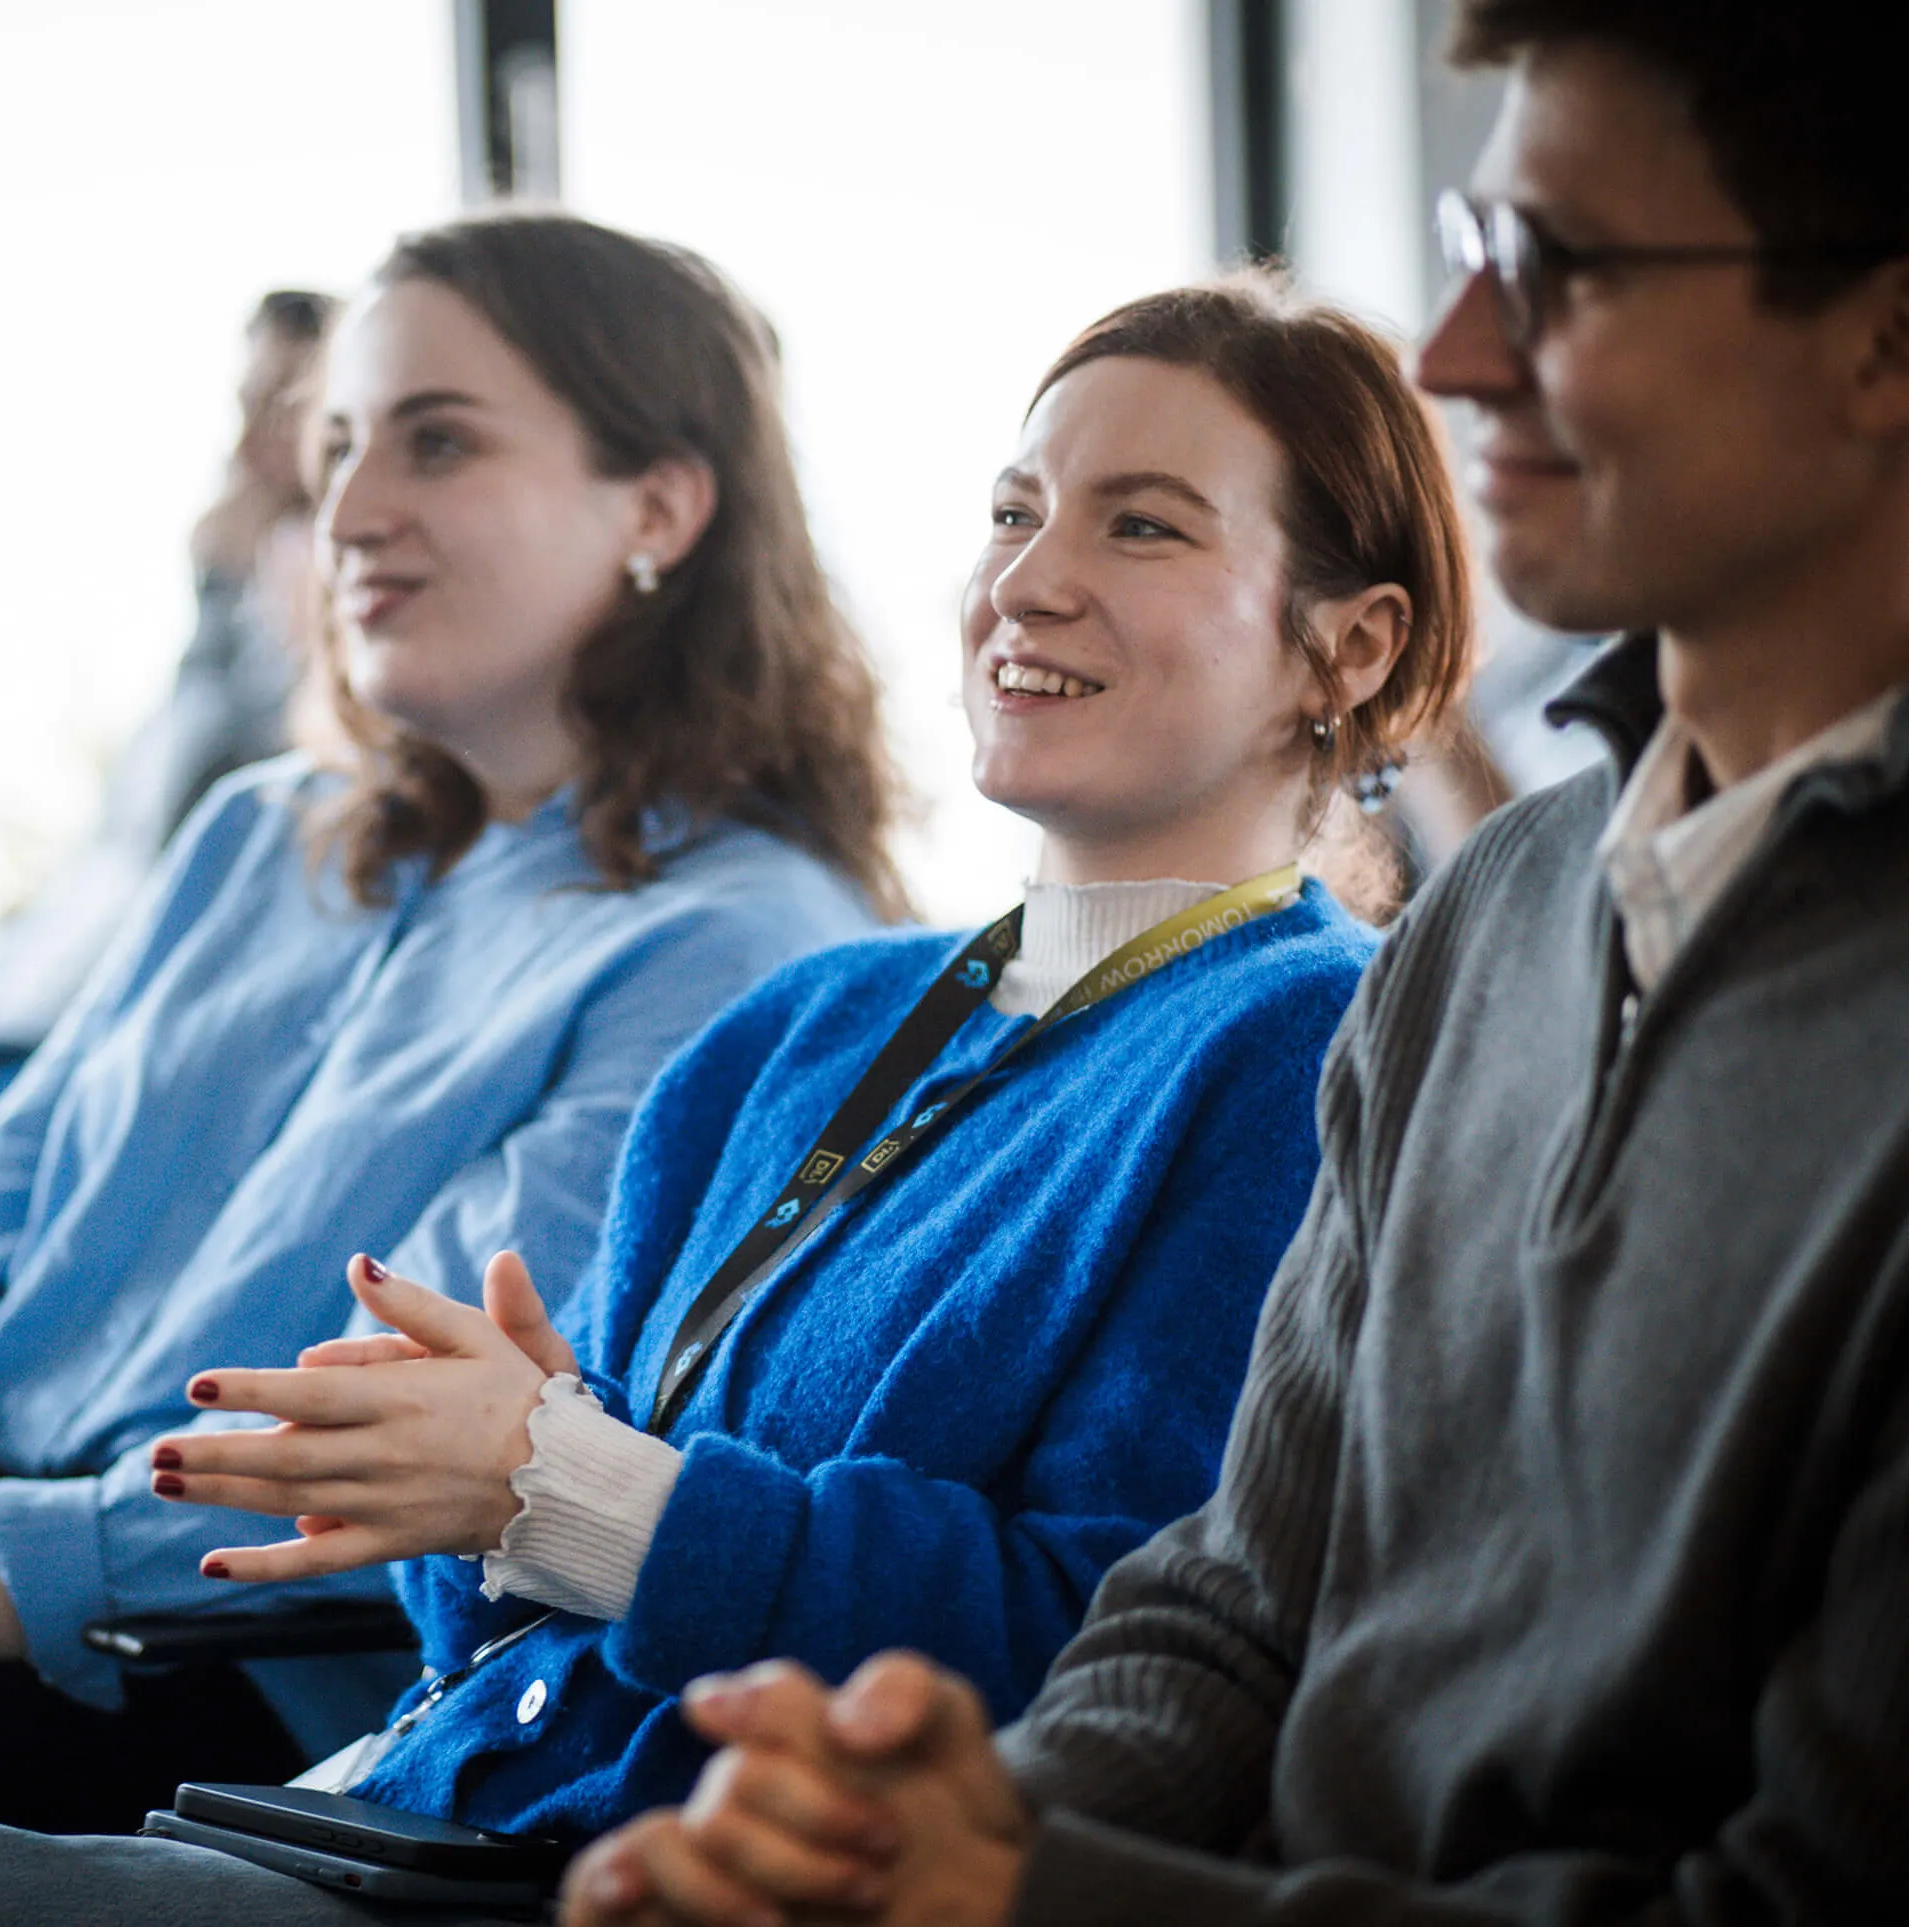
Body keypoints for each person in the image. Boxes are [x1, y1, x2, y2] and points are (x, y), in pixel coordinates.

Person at [555, 2, 1909, 1923]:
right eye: (1469, 258)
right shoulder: (1502, 909)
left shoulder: (1301, 1008)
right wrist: (942, 1837)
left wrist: (1020, 1890)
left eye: (1563, 271)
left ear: (1880, 341)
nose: (1458, 354)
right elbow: (1227, 1607)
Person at [0, 268, 1475, 1919]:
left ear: (1350, 640)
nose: (1026, 580)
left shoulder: (1313, 1050)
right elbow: (523, 1635)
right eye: (1012, 510)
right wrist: (491, 1494)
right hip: (405, 1816)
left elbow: (1123, 1651)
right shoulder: (805, 1022)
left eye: (1141, 528)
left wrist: (567, 1485)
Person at [0, 211, 899, 1833]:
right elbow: (8, 1201)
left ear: (661, 507)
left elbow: (404, 1449)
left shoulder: (738, 949)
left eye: (437, 440)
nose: (345, 509)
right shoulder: (259, 836)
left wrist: (19, 1565)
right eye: (336, 444)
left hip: (230, 1673)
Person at [0, 289, 334, 1109]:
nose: (247, 443)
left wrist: (219, 582)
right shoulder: (237, 607)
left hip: (88, 1029)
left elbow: (203, 799)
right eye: (242, 408)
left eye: (278, 410)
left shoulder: (313, 608)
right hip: (43, 985)